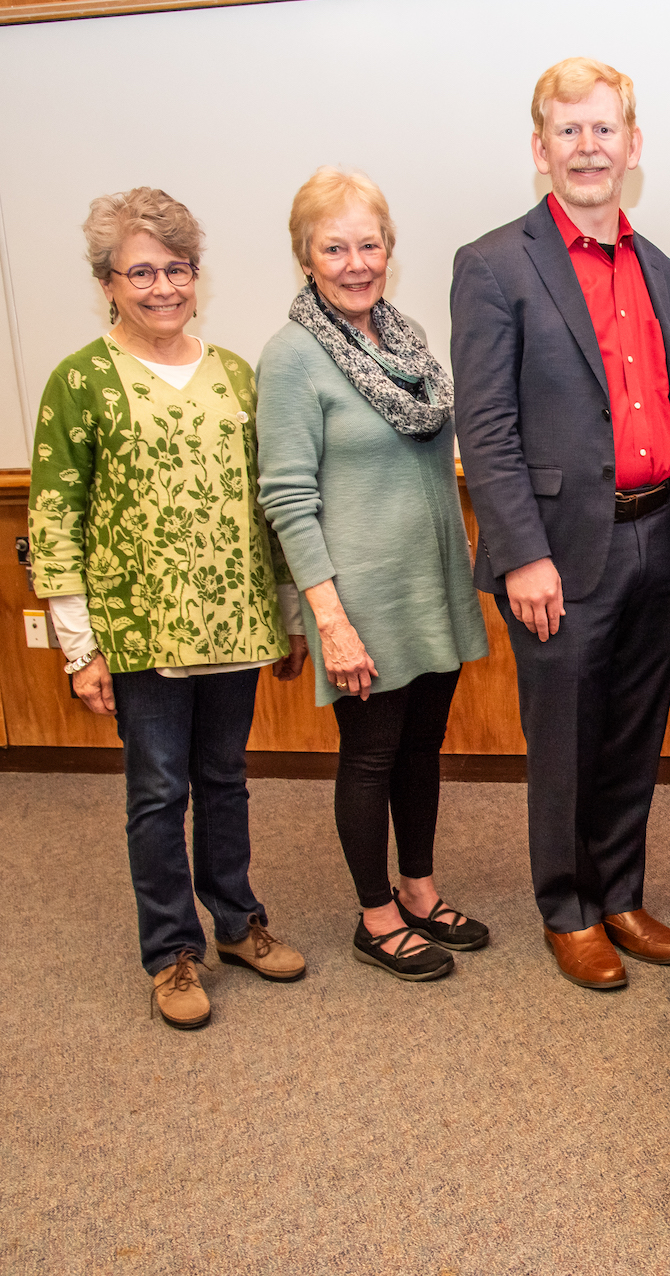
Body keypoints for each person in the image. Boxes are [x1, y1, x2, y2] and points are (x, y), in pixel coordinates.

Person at [450, 57, 670, 990]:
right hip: (559, 552)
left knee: (636, 732)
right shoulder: (494, 265)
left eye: (604, 130)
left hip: (658, 534)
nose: (588, 147)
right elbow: (484, 427)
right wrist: (521, 553)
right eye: (569, 131)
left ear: (632, 146)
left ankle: (619, 893)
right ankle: (567, 910)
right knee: (564, 734)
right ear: (540, 149)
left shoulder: (661, 268)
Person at [28, 187, 308, 1030]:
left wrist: (290, 613)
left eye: (176, 269)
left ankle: (236, 923)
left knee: (225, 781)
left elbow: (269, 504)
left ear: (197, 276)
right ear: (107, 283)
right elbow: (54, 517)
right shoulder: (80, 382)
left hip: (236, 621)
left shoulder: (235, 375)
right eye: (140, 271)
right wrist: (80, 647)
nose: (162, 287)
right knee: (157, 794)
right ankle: (172, 954)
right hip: (139, 632)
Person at [257, 168, 491, 984]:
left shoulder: (407, 340)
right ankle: (375, 914)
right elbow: (287, 496)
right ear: (306, 257)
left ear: (389, 249)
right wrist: (327, 617)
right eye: (334, 247)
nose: (355, 262)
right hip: (358, 597)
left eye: (369, 244)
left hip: (430, 585)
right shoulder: (292, 357)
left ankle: (420, 890)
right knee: (370, 755)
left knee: (423, 748)